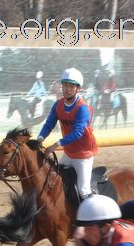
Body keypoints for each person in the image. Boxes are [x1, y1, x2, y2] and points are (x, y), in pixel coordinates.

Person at [38, 68, 97, 200]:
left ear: (78, 89)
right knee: (53, 179)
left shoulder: (82, 108)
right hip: (69, 154)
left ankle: (95, 218)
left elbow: (77, 133)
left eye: (71, 86)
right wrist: (40, 139)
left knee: (83, 190)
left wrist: (55, 145)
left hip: (84, 155)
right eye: (65, 85)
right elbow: (49, 124)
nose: (67, 89)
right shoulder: (58, 105)